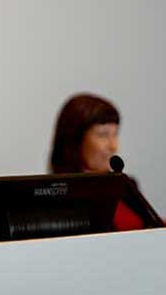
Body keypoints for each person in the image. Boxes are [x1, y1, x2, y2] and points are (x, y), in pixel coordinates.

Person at [48, 93, 151, 231]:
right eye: (103, 135)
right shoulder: (56, 194)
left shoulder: (126, 185)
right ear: (75, 140)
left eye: (115, 134)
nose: (113, 146)